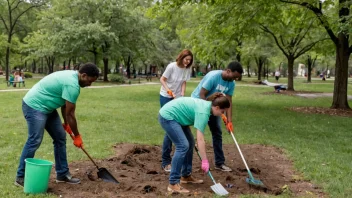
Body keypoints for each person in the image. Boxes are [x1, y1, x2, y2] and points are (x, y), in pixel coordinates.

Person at [15, 63, 99, 187]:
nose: (89, 84)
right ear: (84, 75)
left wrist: (66, 123)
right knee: (35, 140)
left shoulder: (73, 77)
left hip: (48, 108)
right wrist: (77, 136)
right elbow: (71, 113)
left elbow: (65, 106)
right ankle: (20, 177)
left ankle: (62, 174)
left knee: (60, 137)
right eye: (89, 81)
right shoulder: (72, 85)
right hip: (34, 106)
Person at [158, 92, 230, 194]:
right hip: (168, 116)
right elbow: (200, 140)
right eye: (222, 111)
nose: (222, 114)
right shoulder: (204, 112)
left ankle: (186, 175)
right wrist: (204, 161)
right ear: (217, 107)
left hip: (178, 117)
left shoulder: (207, 107)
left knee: (190, 143)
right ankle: (173, 183)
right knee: (183, 146)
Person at [191, 61, 243, 172]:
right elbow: (202, 94)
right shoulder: (213, 76)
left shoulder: (231, 83)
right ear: (228, 71)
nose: (234, 80)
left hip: (215, 108)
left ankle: (219, 163)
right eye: (234, 77)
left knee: (217, 132)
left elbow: (228, 101)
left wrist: (229, 121)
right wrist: (206, 109)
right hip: (198, 104)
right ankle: (170, 160)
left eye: (237, 78)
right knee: (190, 132)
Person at [160, 49, 193, 172]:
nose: (188, 62)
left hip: (177, 98)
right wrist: (168, 90)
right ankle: (166, 162)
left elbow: (183, 82)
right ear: (181, 57)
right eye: (186, 59)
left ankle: (179, 159)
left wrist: (182, 94)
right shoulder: (171, 66)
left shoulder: (187, 68)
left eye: (190, 60)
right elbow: (162, 79)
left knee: (177, 126)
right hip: (166, 97)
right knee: (170, 128)